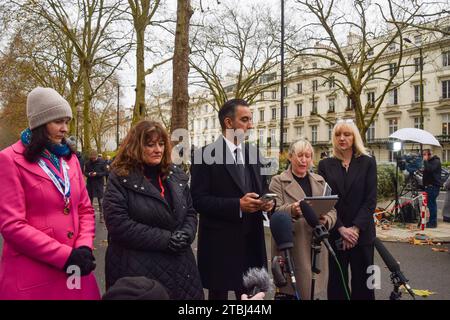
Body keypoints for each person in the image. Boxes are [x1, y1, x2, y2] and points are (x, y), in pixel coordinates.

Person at [0, 87, 100, 299]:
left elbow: (85, 209)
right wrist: (65, 256)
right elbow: (12, 226)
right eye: (58, 122)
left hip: (76, 270)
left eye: (67, 121)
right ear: (39, 124)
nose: (65, 129)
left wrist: (83, 248)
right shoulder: (9, 159)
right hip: (34, 275)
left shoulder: (70, 158)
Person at [103, 120, 204, 300]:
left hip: (181, 267)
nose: (158, 149)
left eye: (161, 144)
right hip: (138, 268)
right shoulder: (119, 178)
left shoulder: (176, 174)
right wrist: (167, 239)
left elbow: (190, 211)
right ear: (136, 146)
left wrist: (187, 234)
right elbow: (119, 224)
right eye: (150, 145)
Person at [190, 98, 274, 300]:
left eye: (251, 119)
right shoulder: (204, 155)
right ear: (229, 123)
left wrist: (268, 203)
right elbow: (198, 201)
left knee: (251, 297)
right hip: (220, 245)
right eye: (245, 119)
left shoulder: (254, 154)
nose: (251, 125)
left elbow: (263, 189)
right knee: (218, 296)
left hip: (251, 241)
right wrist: (237, 205)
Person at [269, 139, 336, 300]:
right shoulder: (278, 181)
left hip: (316, 246)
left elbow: (333, 209)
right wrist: (292, 209)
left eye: (307, 156)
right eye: (299, 155)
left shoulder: (320, 181)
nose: (303, 160)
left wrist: (326, 220)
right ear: (290, 157)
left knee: (314, 292)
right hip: (292, 248)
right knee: (295, 293)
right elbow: (273, 213)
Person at [318, 119, 377, 300]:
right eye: (338, 134)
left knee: (365, 283)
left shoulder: (367, 162)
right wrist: (342, 229)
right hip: (337, 233)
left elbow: (370, 200)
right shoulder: (325, 165)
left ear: (354, 137)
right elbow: (326, 202)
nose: (342, 138)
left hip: (362, 234)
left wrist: (355, 229)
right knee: (337, 284)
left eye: (347, 134)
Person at [84, 149, 107, 223]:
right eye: (92, 158)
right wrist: (89, 174)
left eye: (94, 158)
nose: (93, 159)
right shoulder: (87, 163)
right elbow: (85, 172)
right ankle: (89, 216)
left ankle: (102, 216)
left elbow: (105, 172)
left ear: (97, 156)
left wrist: (97, 174)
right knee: (89, 202)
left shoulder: (102, 162)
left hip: (99, 184)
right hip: (90, 184)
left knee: (100, 201)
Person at [422, 148, 442, 228]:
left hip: (433, 187)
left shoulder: (436, 161)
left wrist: (425, 161)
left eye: (424, 154)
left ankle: (433, 223)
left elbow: (430, 170)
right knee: (431, 205)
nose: (423, 156)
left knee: (432, 205)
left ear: (429, 154)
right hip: (429, 186)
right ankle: (431, 221)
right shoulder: (430, 162)